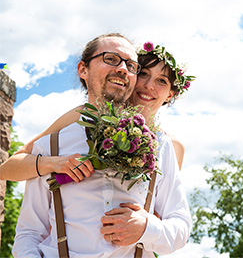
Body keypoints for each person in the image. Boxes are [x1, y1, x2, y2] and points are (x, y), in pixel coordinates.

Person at [12, 33, 192, 257]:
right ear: (83, 69)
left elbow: (179, 225)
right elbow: (29, 232)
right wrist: (52, 162)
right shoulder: (52, 144)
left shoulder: (163, 147)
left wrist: (147, 228)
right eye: (111, 59)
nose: (147, 85)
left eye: (130, 65)